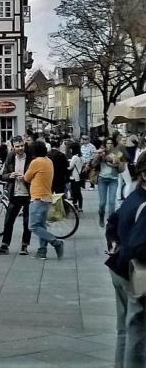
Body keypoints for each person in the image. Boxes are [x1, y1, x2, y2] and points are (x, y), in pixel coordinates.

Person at [105, 153, 146, 368]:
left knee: (124, 330)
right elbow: (139, 247)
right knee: (138, 335)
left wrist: (113, 242)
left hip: (119, 268)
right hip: (136, 275)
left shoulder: (134, 195)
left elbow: (112, 221)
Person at [0, 137, 32, 256]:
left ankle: (24, 245)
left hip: (29, 193)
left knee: (27, 222)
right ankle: (4, 245)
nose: (20, 148)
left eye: (22, 145)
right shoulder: (11, 156)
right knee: (8, 221)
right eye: (17, 146)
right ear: (13, 147)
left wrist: (26, 177)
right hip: (14, 193)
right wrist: (10, 176)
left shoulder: (30, 156)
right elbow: (3, 175)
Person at [25, 141, 63, 260]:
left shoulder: (36, 162)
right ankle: (42, 251)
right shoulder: (48, 161)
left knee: (33, 226)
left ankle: (56, 242)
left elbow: (26, 177)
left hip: (37, 197)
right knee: (41, 225)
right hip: (47, 197)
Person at [101, 138, 128, 229]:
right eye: (108, 143)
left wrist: (112, 163)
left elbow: (121, 165)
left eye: (111, 143)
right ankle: (101, 215)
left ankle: (111, 221)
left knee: (112, 202)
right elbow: (94, 163)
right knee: (102, 203)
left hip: (113, 179)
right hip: (102, 179)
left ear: (114, 144)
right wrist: (100, 156)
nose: (109, 145)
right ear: (105, 144)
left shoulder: (118, 152)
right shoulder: (101, 152)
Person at [67, 142, 85, 212]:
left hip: (74, 177)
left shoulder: (74, 157)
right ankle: (80, 206)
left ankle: (75, 205)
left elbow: (70, 167)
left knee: (74, 192)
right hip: (79, 177)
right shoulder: (81, 157)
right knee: (78, 192)